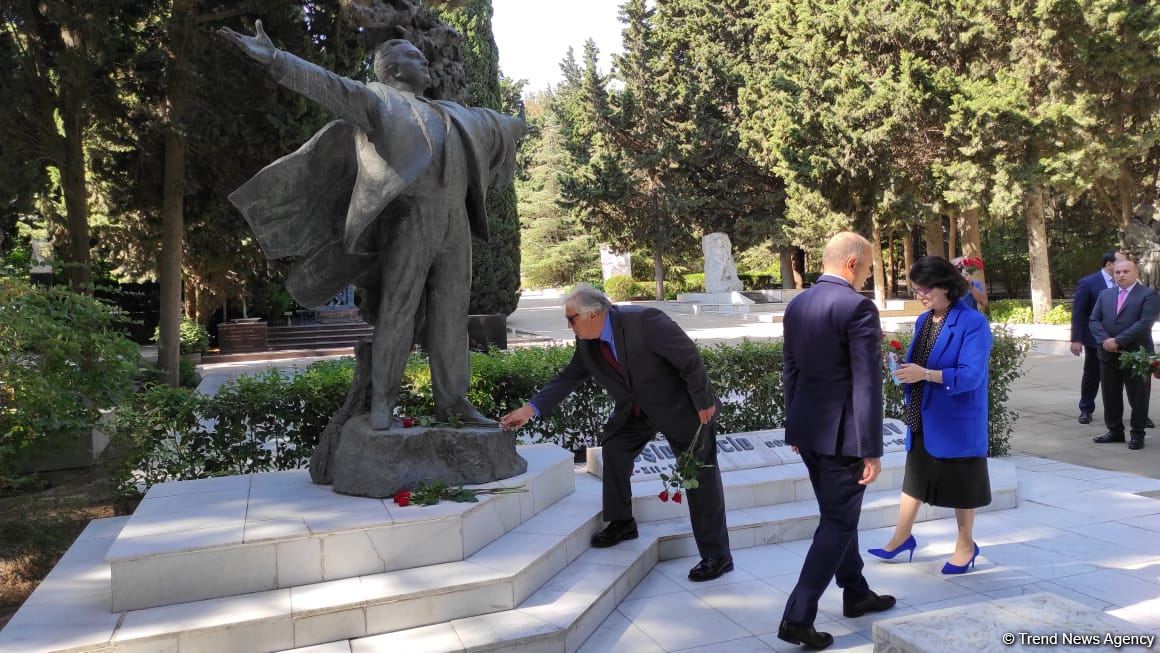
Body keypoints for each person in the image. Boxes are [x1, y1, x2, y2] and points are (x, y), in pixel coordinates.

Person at [219, 21, 525, 431]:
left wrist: (520, 124)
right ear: (394, 70)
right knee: (398, 312)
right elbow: (330, 85)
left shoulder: (452, 113)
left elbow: (495, 124)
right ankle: (382, 402)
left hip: (456, 223)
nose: (426, 62)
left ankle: (454, 403)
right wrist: (277, 59)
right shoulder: (379, 101)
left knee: (452, 314)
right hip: (409, 218)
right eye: (415, 58)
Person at [499, 285, 732, 582]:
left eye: (571, 319)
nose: (568, 325)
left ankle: (717, 556)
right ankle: (622, 522)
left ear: (593, 314)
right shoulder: (588, 342)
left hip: (681, 408)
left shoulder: (645, 322)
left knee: (699, 477)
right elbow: (569, 377)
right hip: (637, 411)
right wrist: (530, 409)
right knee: (615, 448)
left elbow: (690, 359)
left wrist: (705, 402)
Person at [777, 232, 895, 651]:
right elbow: (867, 384)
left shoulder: (798, 303)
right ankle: (797, 616)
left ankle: (856, 591)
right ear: (851, 263)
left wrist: (795, 424)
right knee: (838, 522)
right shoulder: (858, 307)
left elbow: (789, 368)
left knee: (836, 516)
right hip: (844, 438)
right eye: (866, 268)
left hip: (808, 431)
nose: (866, 277)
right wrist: (871, 449)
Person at [869, 256, 993, 577]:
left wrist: (924, 373)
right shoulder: (925, 321)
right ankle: (901, 537)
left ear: (946, 286)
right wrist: (901, 369)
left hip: (956, 420)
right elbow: (919, 362)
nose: (920, 296)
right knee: (915, 478)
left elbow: (970, 376)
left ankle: (966, 545)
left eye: (925, 290)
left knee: (962, 485)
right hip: (922, 413)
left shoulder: (972, 323)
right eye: (916, 290)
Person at [1090, 259, 1159, 451]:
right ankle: (1114, 431)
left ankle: (1137, 434)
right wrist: (1106, 340)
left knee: (1139, 397)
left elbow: (1145, 323)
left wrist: (1118, 340)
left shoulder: (1149, 294)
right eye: (1117, 272)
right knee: (1110, 394)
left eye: (1125, 271)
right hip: (1108, 354)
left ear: (1136, 273)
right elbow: (1094, 320)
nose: (1121, 275)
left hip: (1137, 355)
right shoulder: (1105, 294)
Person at [1070, 252, 1126, 424]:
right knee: (1092, 374)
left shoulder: (1125, 282)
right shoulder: (1089, 283)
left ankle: (1139, 413)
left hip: (1122, 337)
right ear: (1109, 265)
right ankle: (1086, 409)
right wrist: (1076, 339)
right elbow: (1079, 312)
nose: (1124, 268)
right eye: (1121, 263)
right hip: (1095, 339)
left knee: (1126, 375)